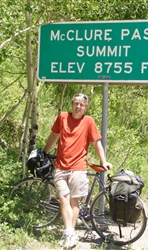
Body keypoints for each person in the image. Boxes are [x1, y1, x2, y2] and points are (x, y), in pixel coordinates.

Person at [44, 93, 112, 248]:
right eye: (76, 103)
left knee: (74, 201)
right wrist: (45, 152)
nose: (78, 107)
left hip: (79, 167)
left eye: (82, 105)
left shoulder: (88, 121)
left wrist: (104, 161)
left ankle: (70, 232)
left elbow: (96, 143)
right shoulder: (62, 117)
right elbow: (54, 135)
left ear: (85, 107)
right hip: (61, 166)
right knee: (63, 199)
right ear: (72, 104)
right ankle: (69, 232)